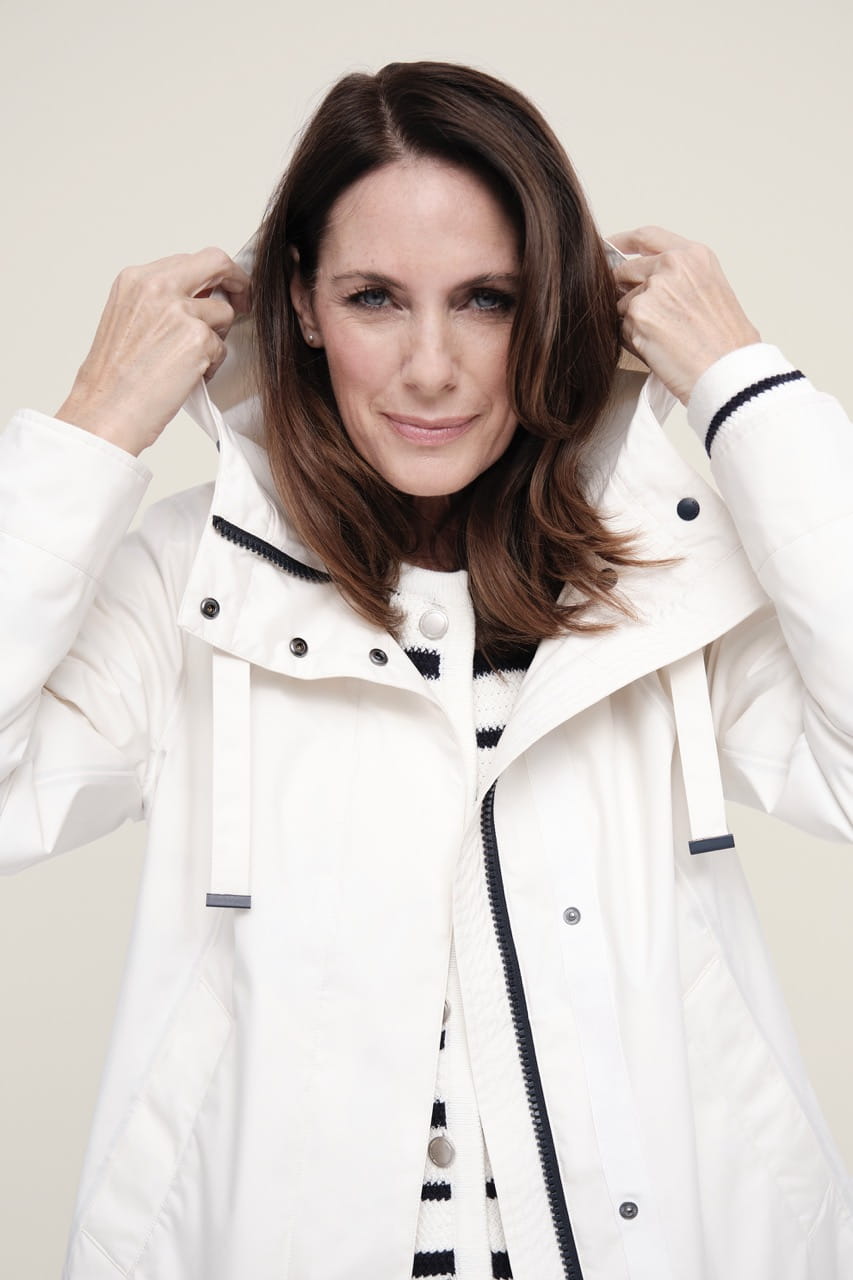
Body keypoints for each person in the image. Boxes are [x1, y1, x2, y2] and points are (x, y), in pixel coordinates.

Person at [1, 58, 852, 1280]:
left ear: (547, 308)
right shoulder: (191, 578)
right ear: (302, 304)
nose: (432, 367)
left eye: (487, 299)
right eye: (375, 299)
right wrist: (94, 425)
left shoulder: (660, 574)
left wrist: (745, 386)